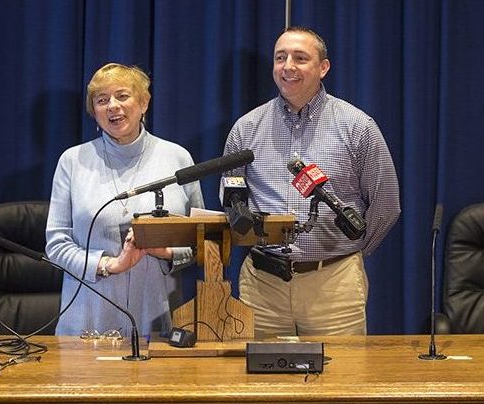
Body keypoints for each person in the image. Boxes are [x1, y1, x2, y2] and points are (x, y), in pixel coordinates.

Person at [222, 27, 400, 337]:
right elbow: (232, 199)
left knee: (340, 382)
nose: (288, 66)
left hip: (333, 287)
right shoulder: (246, 129)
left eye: (300, 58)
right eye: (281, 58)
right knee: (261, 383)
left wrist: (347, 253)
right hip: (262, 287)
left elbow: (386, 205)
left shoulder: (357, 127)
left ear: (323, 68)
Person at [46, 63, 204, 338]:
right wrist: (110, 265)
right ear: (94, 112)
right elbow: (57, 244)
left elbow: (201, 241)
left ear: (144, 102)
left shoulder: (177, 158)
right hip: (87, 318)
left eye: (122, 96)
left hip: (158, 316)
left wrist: (166, 252)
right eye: (102, 100)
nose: (112, 107)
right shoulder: (72, 161)